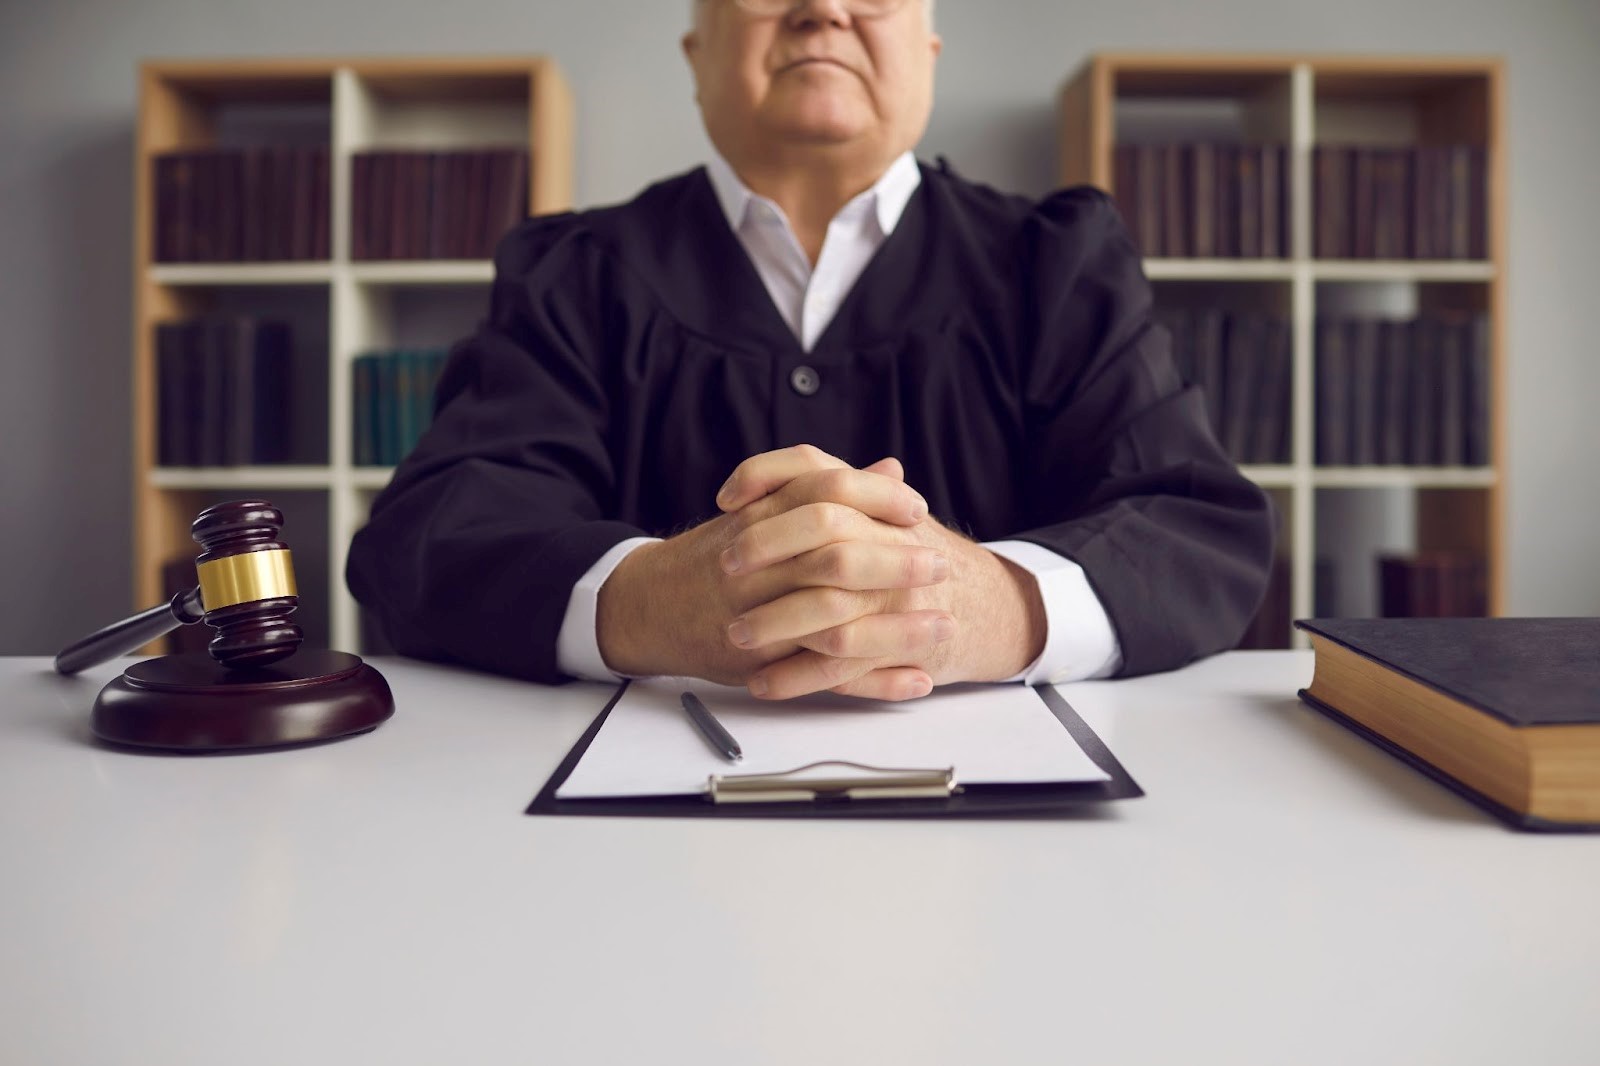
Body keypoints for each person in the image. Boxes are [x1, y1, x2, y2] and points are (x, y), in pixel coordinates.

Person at [346, 0, 1275, 701]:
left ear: (927, 54)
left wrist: (975, 604)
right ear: (696, 53)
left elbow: (1194, 531)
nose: (822, 9)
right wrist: (651, 600)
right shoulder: (573, 274)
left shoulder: (1057, 264)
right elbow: (432, 537)